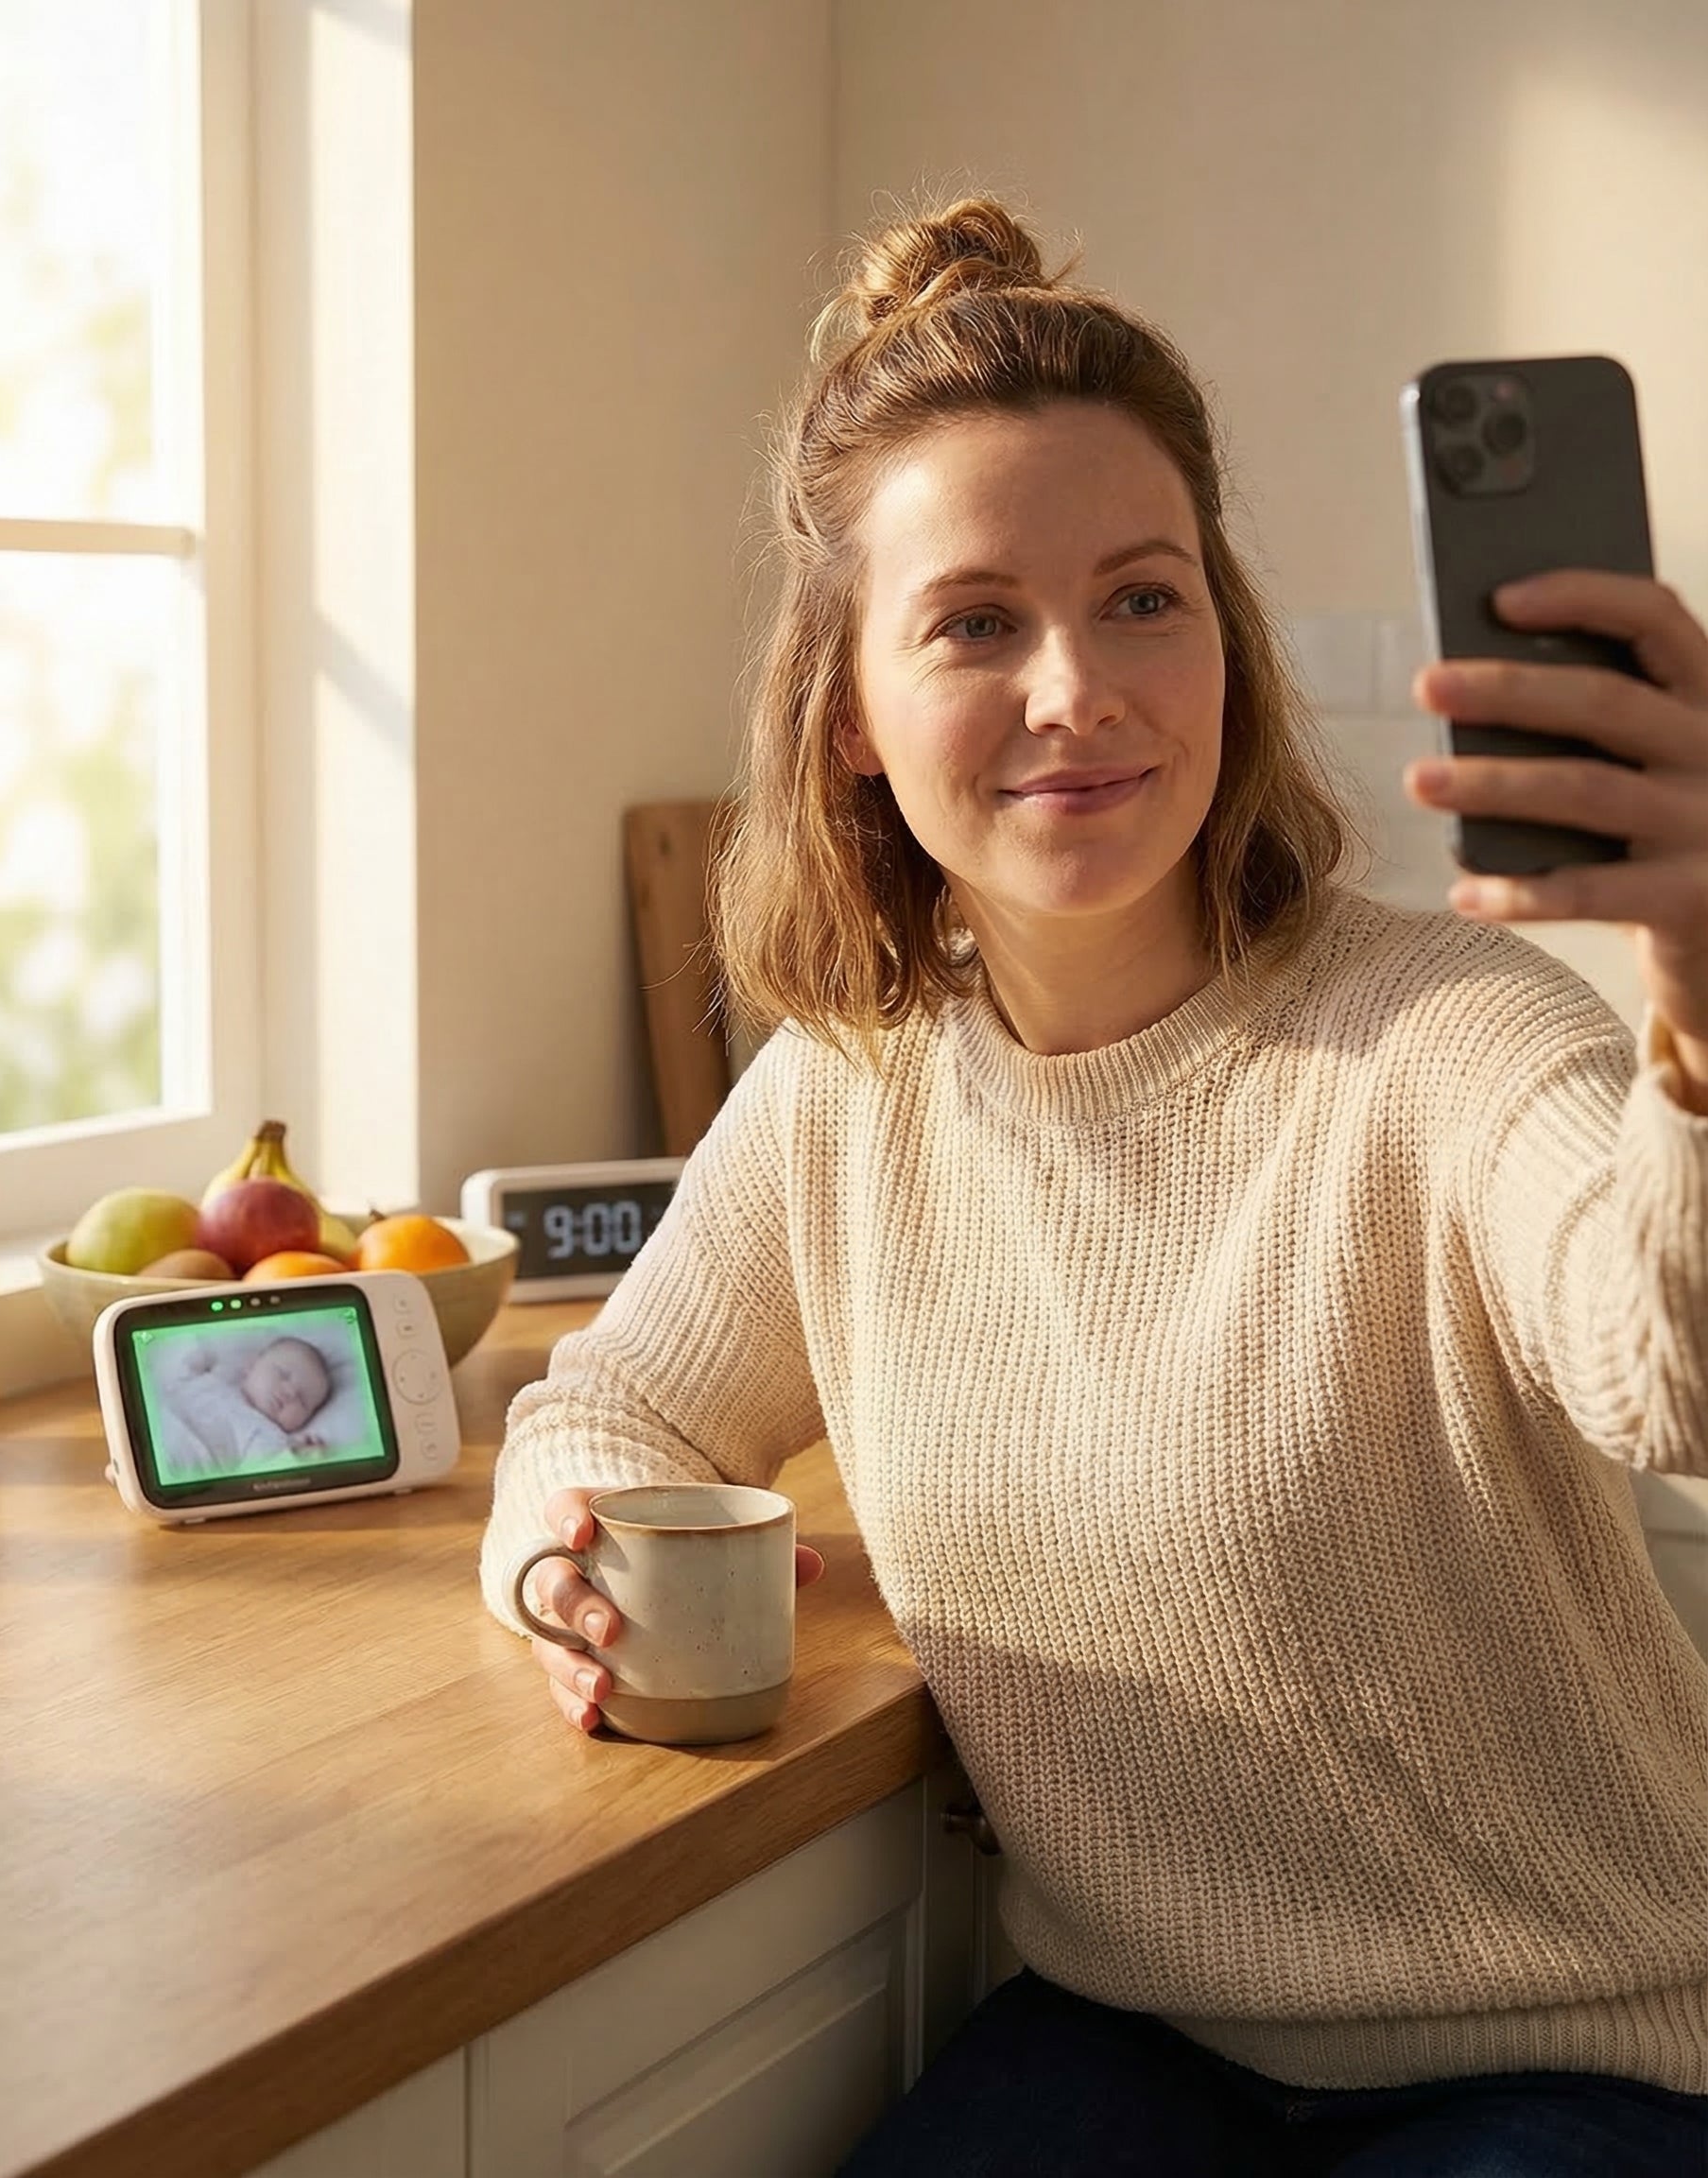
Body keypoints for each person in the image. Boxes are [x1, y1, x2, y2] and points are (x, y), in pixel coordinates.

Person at [478, 198, 1708, 2173]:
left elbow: (1674, 1379)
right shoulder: (843, 1099)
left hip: (1568, 2054)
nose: (1080, 688)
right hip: (1130, 2042)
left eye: (1144, 597)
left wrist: (1698, 1001)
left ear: (1220, 635)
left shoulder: (1450, 1031)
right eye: (975, 623)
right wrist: (573, 1569)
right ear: (853, 720)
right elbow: (607, 1403)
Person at [157, 1332, 336, 1474]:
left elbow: (264, 1470)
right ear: (252, 1365)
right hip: (159, 1424)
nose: (289, 1393)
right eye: (283, 1374)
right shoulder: (217, 1378)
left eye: (302, 1400)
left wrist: (296, 1456)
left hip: (184, 1458)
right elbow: (175, 1369)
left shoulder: (267, 1435)